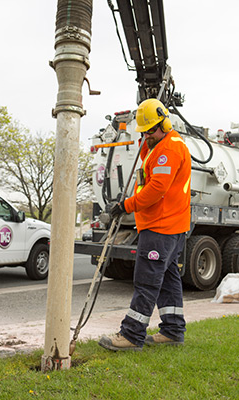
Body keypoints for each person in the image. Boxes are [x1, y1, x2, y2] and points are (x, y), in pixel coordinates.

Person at [98, 98, 191, 351]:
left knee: (147, 281)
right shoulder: (157, 144)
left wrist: (125, 206)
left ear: (164, 124)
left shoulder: (169, 149)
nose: (146, 135)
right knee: (169, 279)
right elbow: (147, 162)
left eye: (150, 130)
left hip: (161, 227)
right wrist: (145, 140)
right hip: (169, 226)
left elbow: (157, 189)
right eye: (144, 131)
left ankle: (131, 335)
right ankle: (173, 331)